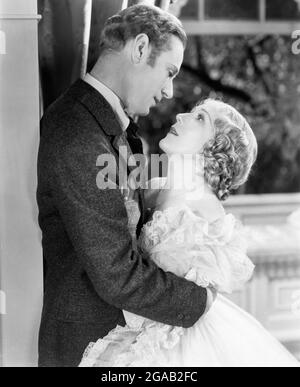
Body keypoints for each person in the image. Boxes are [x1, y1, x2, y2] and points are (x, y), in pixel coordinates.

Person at [37, 4, 214, 367]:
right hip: (86, 347)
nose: (168, 91)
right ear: (139, 49)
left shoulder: (112, 126)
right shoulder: (76, 131)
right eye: (168, 72)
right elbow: (116, 273)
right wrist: (202, 302)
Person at [80, 100, 299, 367]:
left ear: (216, 147)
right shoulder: (155, 188)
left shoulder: (208, 214)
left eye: (199, 119)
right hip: (136, 318)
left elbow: (201, 288)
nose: (181, 116)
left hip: (178, 342)